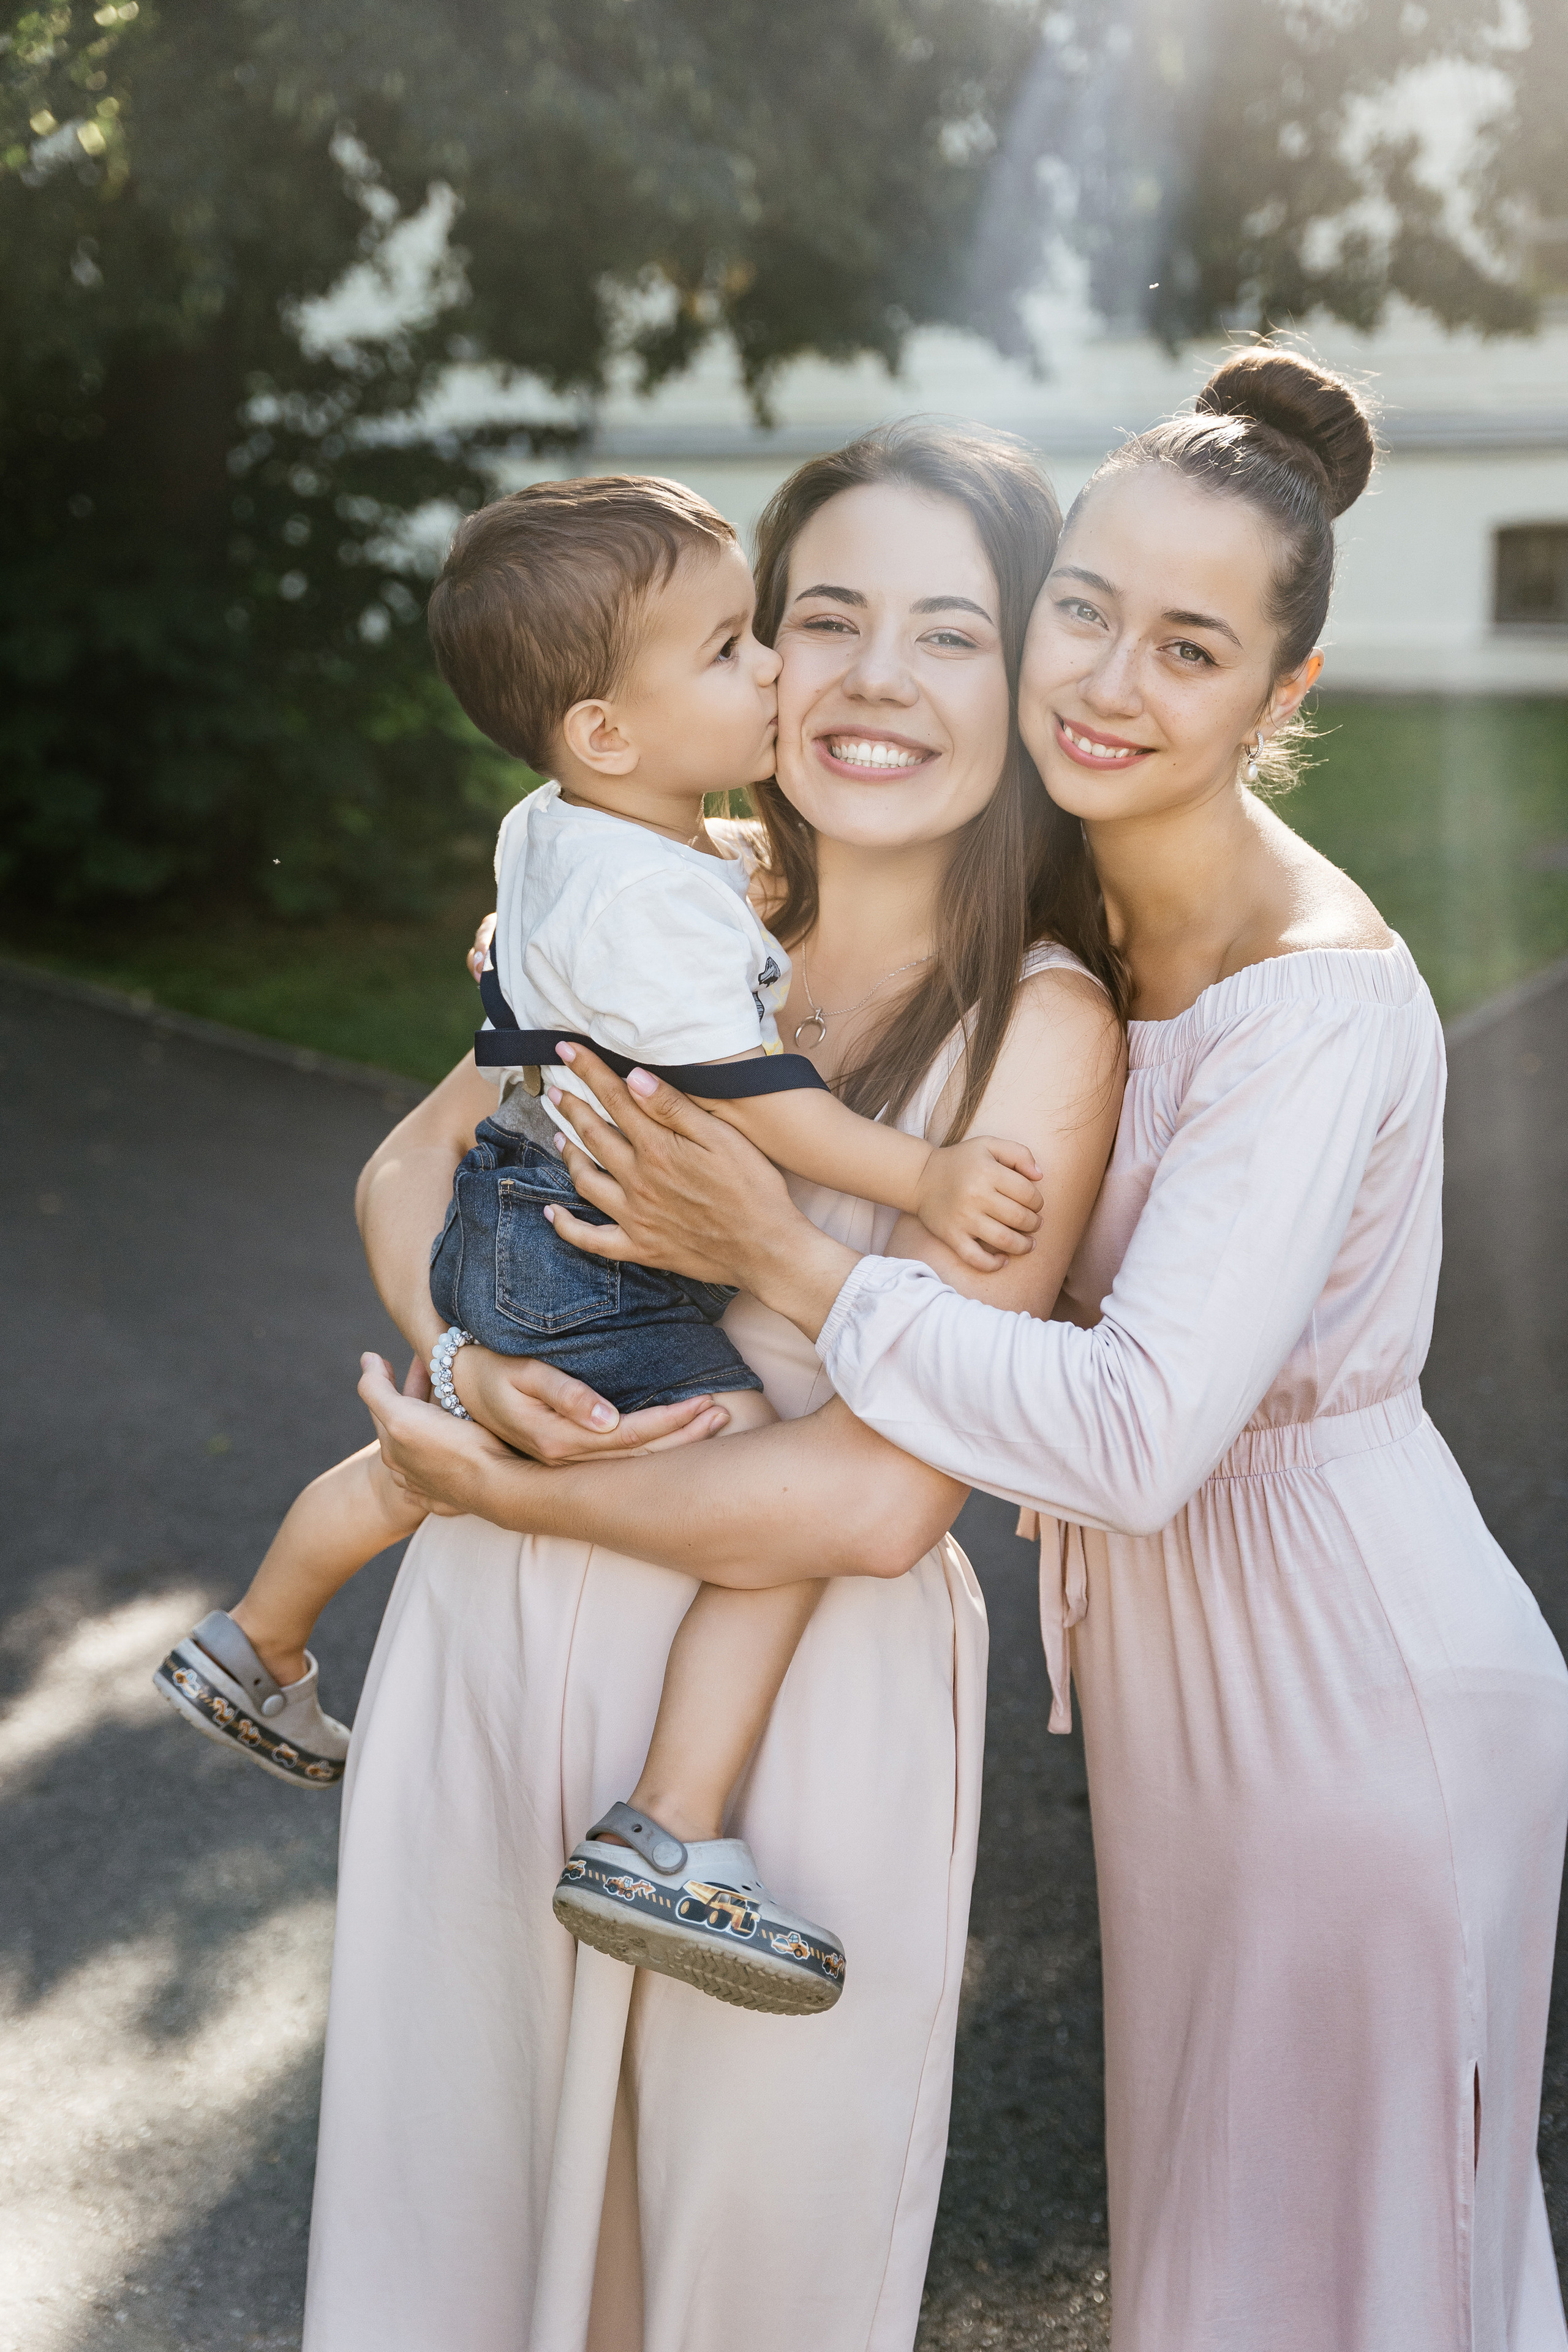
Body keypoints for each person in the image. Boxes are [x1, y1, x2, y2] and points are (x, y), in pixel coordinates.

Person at [365, 351, 1568, 2351]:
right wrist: (596, 924)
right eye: (1083, 610)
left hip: (1350, 1678)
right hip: (1184, 1679)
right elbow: (445, 1152)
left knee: (1369, 2270)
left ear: (1286, 700)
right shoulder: (1004, 902)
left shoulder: (1297, 1002)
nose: (1101, 677)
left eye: (1188, 646)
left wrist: (785, 1262)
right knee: (1212, 2256)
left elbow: (1121, 1431)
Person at [304, 420, 1126, 2352]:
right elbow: (408, 1173)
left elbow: (869, 1502)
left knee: (741, 2279)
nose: (863, 677)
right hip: (500, 1662)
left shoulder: (1046, 1027)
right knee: (468, 2242)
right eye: (817, 619)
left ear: (1025, 676)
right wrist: (477, 1371)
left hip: (796, 1729)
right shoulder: (680, 917)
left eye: (948, 632)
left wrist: (496, 1481)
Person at [151, 472, 1048, 2016]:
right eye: (740, 647)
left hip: (511, 1226)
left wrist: (458, 1354)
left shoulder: (572, 835)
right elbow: (755, 1097)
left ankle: (255, 1638)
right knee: (766, 1478)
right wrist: (929, 1171)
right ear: (608, 734)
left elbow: (503, 1061)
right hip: (598, 1262)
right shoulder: (665, 912)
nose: (775, 669)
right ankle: (668, 1830)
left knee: (419, 1448)